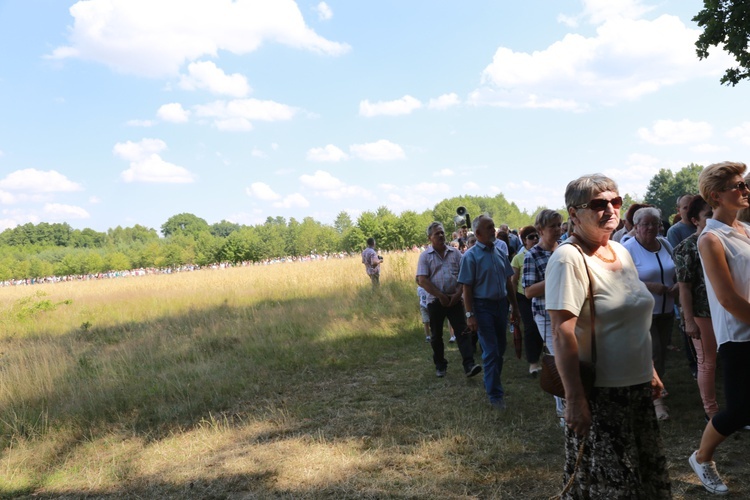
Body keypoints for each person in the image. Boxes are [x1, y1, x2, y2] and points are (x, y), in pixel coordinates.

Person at [546, 173, 671, 499]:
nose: (610, 210)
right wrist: (574, 399)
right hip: (600, 397)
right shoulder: (568, 258)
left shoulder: (620, 250)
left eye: (615, 202)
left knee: (644, 480)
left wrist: (651, 370)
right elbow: (562, 332)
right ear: (574, 214)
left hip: (636, 390)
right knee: (610, 488)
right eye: (599, 204)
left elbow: (633, 316)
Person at [689, 161, 750, 495]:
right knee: (739, 410)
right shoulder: (711, 239)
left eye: (744, 184)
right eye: (737, 186)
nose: (745, 190)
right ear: (716, 195)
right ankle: (702, 457)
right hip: (739, 334)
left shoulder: (746, 231)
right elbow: (727, 298)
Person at [458, 214, 520, 409]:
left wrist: (515, 308)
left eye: (493, 226)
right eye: (489, 227)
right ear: (477, 233)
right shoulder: (470, 256)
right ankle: (495, 395)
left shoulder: (500, 252)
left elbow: (509, 282)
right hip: (482, 307)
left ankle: (491, 380)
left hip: (501, 305)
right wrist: (470, 315)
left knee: (500, 348)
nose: (493, 230)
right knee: (492, 351)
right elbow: (466, 289)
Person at [622, 207, 678, 421]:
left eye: (655, 223)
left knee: (661, 353)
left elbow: (675, 269)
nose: (651, 228)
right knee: (653, 353)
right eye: (646, 224)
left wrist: (677, 286)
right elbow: (621, 280)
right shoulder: (628, 249)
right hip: (642, 311)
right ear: (636, 227)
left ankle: (650, 389)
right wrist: (650, 286)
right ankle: (657, 402)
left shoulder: (664, 243)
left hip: (667, 309)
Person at [416, 222, 481, 378]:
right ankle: (440, 365)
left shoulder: (456, 253)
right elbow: (422, 279)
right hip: (435, 302)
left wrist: (458, 294)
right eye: (437, 233)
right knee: (436, 335)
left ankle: (469, 365)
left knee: (462, 332)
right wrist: (440, 295)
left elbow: (464, 276)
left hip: (455, 300)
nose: (441, 235)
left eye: (442, 232)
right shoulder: (425, 256)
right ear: (429, 237)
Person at [673, 195, 718, 420]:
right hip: (702, 313)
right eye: (708, 215)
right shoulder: (687, 247)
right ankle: (712, 411)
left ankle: (736, 409)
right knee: (707, 362)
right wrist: (689, 320)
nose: (712, 218)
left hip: (724, 311)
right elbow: (684, 288)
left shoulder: (720, 239)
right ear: (695, 220)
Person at [523, 209, 565, 421]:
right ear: (540, 230)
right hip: (546, 315)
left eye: (560, 225)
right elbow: (529, 291)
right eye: (553, 226)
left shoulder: (566, 249)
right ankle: (563, 411)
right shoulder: (532, 255)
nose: (558, 230)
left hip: (569, 311)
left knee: (572, 357)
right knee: (559, 360)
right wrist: (555, 278)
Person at [510, 225, 543, 376]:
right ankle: (533, 363)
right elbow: (513, 281)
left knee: (541, 327)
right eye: (531, 237)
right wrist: (513, 303)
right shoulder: (518, 258)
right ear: (524, 240)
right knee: (530, 328)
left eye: (536, 236)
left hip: (541, 295)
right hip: (523, 297)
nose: (535, 239)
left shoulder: (544, 253)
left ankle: (545, 357)